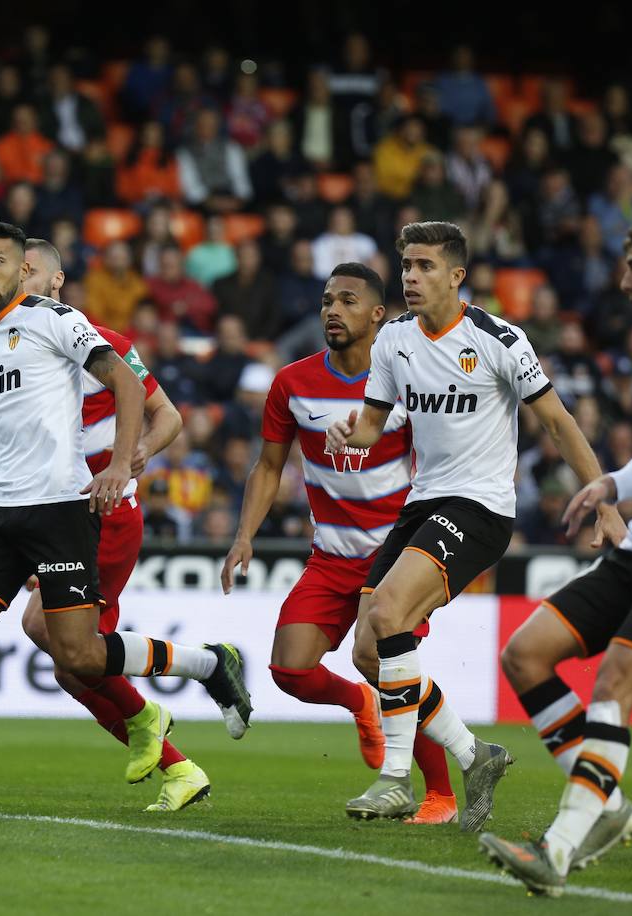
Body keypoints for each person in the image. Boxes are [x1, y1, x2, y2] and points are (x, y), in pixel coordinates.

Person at [0, 220, 250, 813]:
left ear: (22, 269)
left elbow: (131, 389)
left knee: (78, 656)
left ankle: (205, 665)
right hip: (2, 513)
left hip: (62, 510)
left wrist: (118, 470)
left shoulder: (58, 321)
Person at [326, 221, 624, 828]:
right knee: (366, 653)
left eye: (425, 266)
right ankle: (474, 753)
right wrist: (347, 434)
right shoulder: (392, 341)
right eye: (406, 265)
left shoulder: (499, 340)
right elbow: (371, 426)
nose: (410, 276)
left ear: (457, 276)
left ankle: (394, 781)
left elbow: (559, 424)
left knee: (386, 617)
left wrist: (605, 501)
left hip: (481, 509)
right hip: (423, 503)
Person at [222, 262, 456, 824]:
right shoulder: (293, 383)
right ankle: (360, 704)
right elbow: (269, 464)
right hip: (330, 558)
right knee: (290, 669)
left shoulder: (408, 380)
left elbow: (438, 466)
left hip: (397, 557)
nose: (332, 310)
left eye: (348, 301)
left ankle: (441, 795)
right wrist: (244, 537)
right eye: (327, 300)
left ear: (378, 315)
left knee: (380, 663)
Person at [480, 213, 632, 894]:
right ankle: (608, 810)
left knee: (614, 683)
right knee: (524, 656)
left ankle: (556, 850)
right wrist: (611, 483)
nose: (625, 281)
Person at [11, 237, 211, 813]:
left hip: (105, 514)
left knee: (54, 639)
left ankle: (175, 708)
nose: (17, 281)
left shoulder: (104, 347)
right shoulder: (17, 354)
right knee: (74, 669)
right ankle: (180, 763)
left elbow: (168, 416)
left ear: (55, 282)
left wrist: (134, 455)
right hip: (55, 516)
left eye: (28, 272)